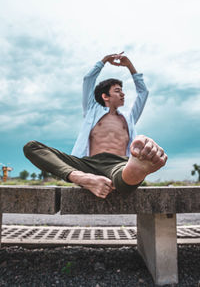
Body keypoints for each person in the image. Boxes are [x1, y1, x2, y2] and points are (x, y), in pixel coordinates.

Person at [23, 52, 167, 198]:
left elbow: (143, 92)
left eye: (122, 91)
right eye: (117, 91)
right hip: (86, 164)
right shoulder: (92, 110)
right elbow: (88, 79)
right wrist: (104, 61)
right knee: (32, 147)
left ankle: (136, 170)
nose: (123, 94)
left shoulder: (129, 118)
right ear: (105, 96)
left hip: (118, 164)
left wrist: (130, 66)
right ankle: (81, 178)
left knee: (125, 177)